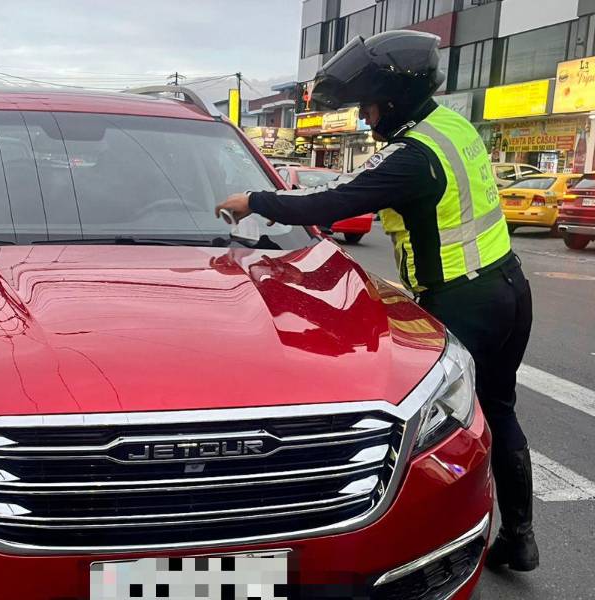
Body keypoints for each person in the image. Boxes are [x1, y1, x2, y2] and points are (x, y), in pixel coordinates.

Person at [215, 31, 539, 571]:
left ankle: (438, 546)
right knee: (500, 410)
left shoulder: (413, 156)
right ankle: (520, 538)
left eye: (367, 106)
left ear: (392, 100)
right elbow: (350, 191)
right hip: (509, 290)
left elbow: (335, 202)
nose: (364, 118)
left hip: (462, 299)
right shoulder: (451, 127)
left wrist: (254, 200)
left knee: (448, 428)